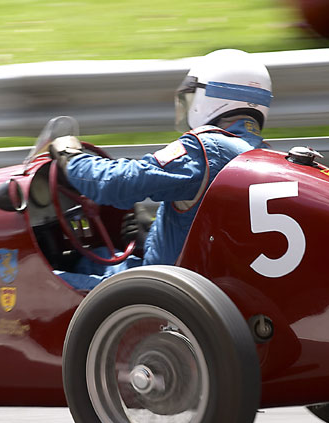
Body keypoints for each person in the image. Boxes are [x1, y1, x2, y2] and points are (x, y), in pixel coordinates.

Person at [50, 49, 272, 290]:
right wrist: (154, 231)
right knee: (90, 259)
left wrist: (71, 159)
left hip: (169, 292)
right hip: (199, 281)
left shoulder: (208, 148)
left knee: (43, 284)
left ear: (210, 97)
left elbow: (118, 184)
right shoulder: (266, 155)